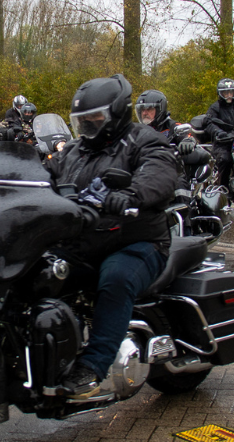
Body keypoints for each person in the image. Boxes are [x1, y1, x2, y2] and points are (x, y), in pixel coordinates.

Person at [45, 74, 179, 399]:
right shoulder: (75, 151)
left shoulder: (144, 140)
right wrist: (6, 176)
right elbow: (44, 173)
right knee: (38, 270)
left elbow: (159, 172)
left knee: (116, 277)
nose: (88, 127)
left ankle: (93, 366)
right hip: (85, 240)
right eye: (83, 121)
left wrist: (131, 195)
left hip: (137, 240)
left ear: (117, 114)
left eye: (96, 119)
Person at [202, 78, 234, 194]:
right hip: (223, 143)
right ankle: (224, 191)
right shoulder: (215, 108)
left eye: (231, 92)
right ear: (220, 93)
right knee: (225, 160)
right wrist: (218, 132)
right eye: (226, 93)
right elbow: (208, 123)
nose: (229, 95)